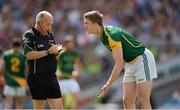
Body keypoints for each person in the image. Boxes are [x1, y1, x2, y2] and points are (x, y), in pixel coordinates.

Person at [83, 10, 157, 109]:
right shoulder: (103, 35)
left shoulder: (111, 35)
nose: (84, 26)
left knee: (143, 100)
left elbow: (119, 64)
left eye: (86, 23)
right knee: (127, 100)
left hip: (142, 59)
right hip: (130, 63)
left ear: (95, 24)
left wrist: (108, 84)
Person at [21, 11, 63, 109]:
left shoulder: (49, 35)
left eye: (51, 25)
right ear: (38, 23)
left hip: (52, 76)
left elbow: (52, 50)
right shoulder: (29, 35)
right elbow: (29, 55)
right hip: (37, 77)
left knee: (59, 108)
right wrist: (48, 51)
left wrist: (56, 51)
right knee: (39, 107)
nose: (50, 27)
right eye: (47, 24)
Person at [0, 40, 26, 109]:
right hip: (21, 82)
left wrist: (2, 77)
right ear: (20, 46)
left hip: (9, 81)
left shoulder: (6, 54)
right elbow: (27, 69)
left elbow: (1, 68)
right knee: (20, 105)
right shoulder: (23, 55)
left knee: (8, 104)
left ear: (12, 45)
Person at [57, 35, 81, 109]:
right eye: (69, 43)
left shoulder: (75, 53)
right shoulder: (60, 53)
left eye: (72, 43)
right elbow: (54, 65)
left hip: (71, 79)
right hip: (62, 80)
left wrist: (76, 71)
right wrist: (57, 73)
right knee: (62, 102)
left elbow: (77, 64)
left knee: (77, 97)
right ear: (65, 44)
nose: (71, 45)